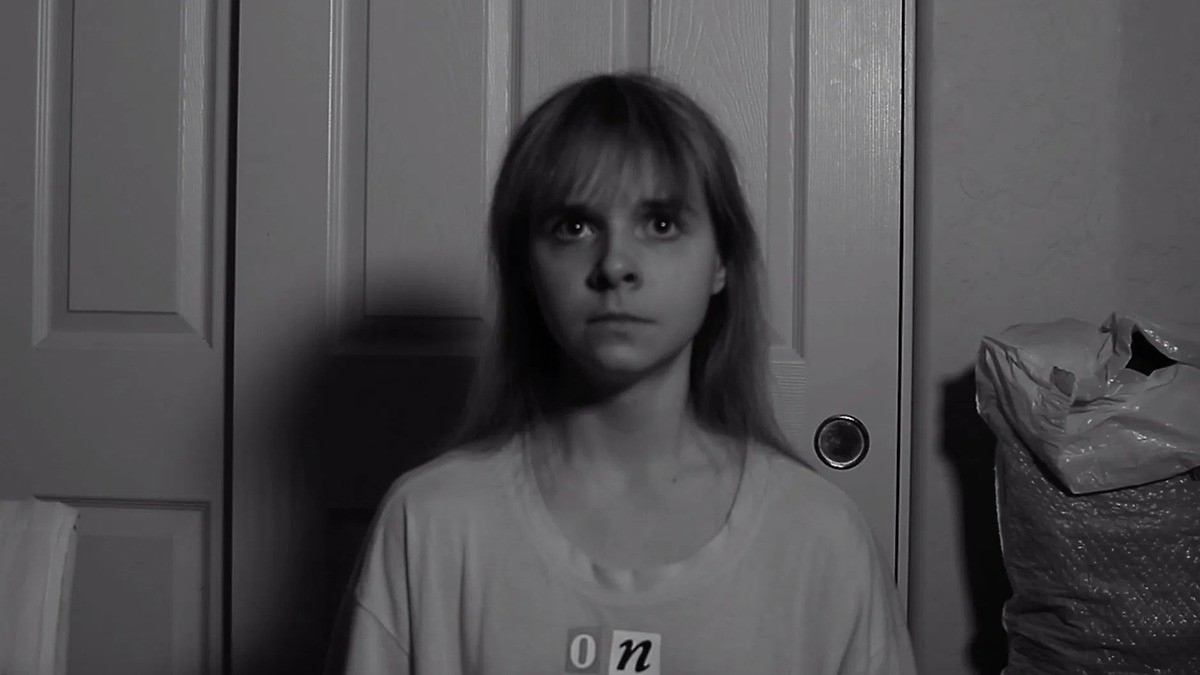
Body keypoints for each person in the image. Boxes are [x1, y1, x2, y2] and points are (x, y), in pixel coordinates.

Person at [326, 72, 916, 674]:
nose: (614, 265)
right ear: (525, 267)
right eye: (574, 226)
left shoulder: (821, 537)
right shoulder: (430, 523)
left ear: (721, 261)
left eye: (660, 224)